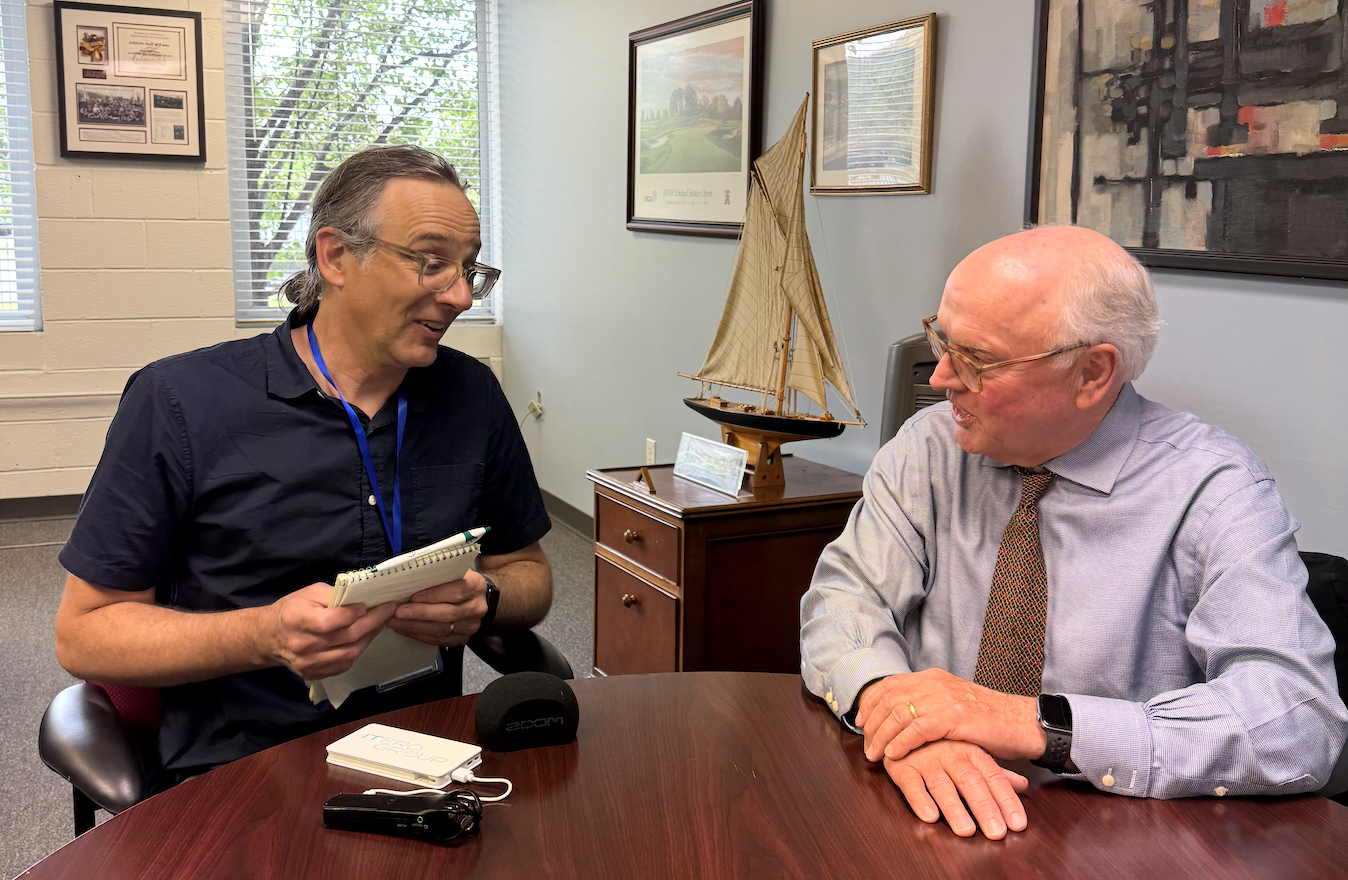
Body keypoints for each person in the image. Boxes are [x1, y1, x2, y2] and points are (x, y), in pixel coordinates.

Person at [800, 226, 1347, 840]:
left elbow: (1296, 721)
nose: (941, 378)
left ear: (1092, 373)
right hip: (924, 813)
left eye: (977, 359)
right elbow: (843, 600)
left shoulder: (1215, 489)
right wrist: (899, 712)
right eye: (942, 341)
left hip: (1112, 836)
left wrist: (1037, 725)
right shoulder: (929, 447)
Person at [54, 145, 553, 787]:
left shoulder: (471, 394)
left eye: (470, 271)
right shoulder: (181, 402)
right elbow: (85, 635)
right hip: (244, 767)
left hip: (432, 754)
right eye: (431, 263)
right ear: (336, 256)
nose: (458, 296)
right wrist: (265, 634)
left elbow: (528, 573)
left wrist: (483, 599)